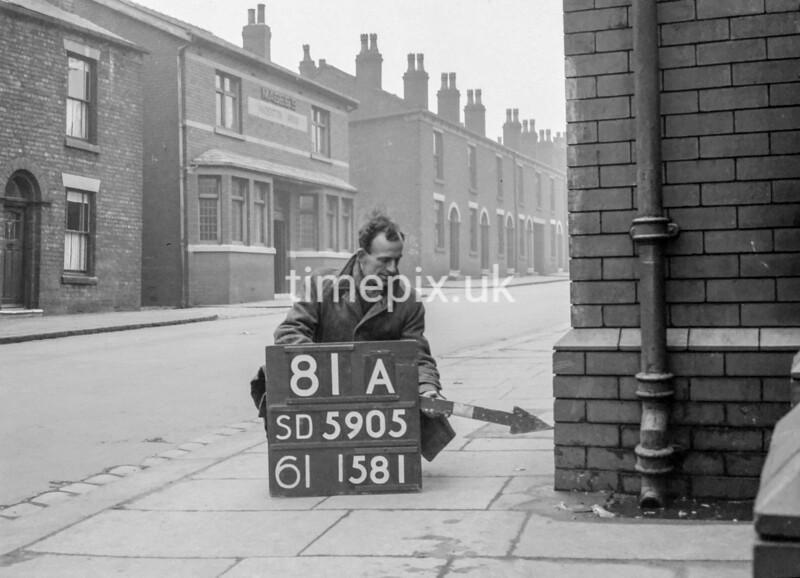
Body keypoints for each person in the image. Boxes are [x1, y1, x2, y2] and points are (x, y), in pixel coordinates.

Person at [250, 211, 454, 460]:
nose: (392, 269)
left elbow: (418, 355)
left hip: (378, 404)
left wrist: (427, 387)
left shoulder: (408, 302)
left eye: (397, 260)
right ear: (361, 257)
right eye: (384, 260)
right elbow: (290, 332)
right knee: (277, 374)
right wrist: (325, 366)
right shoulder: (321, 285)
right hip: (323, 392)